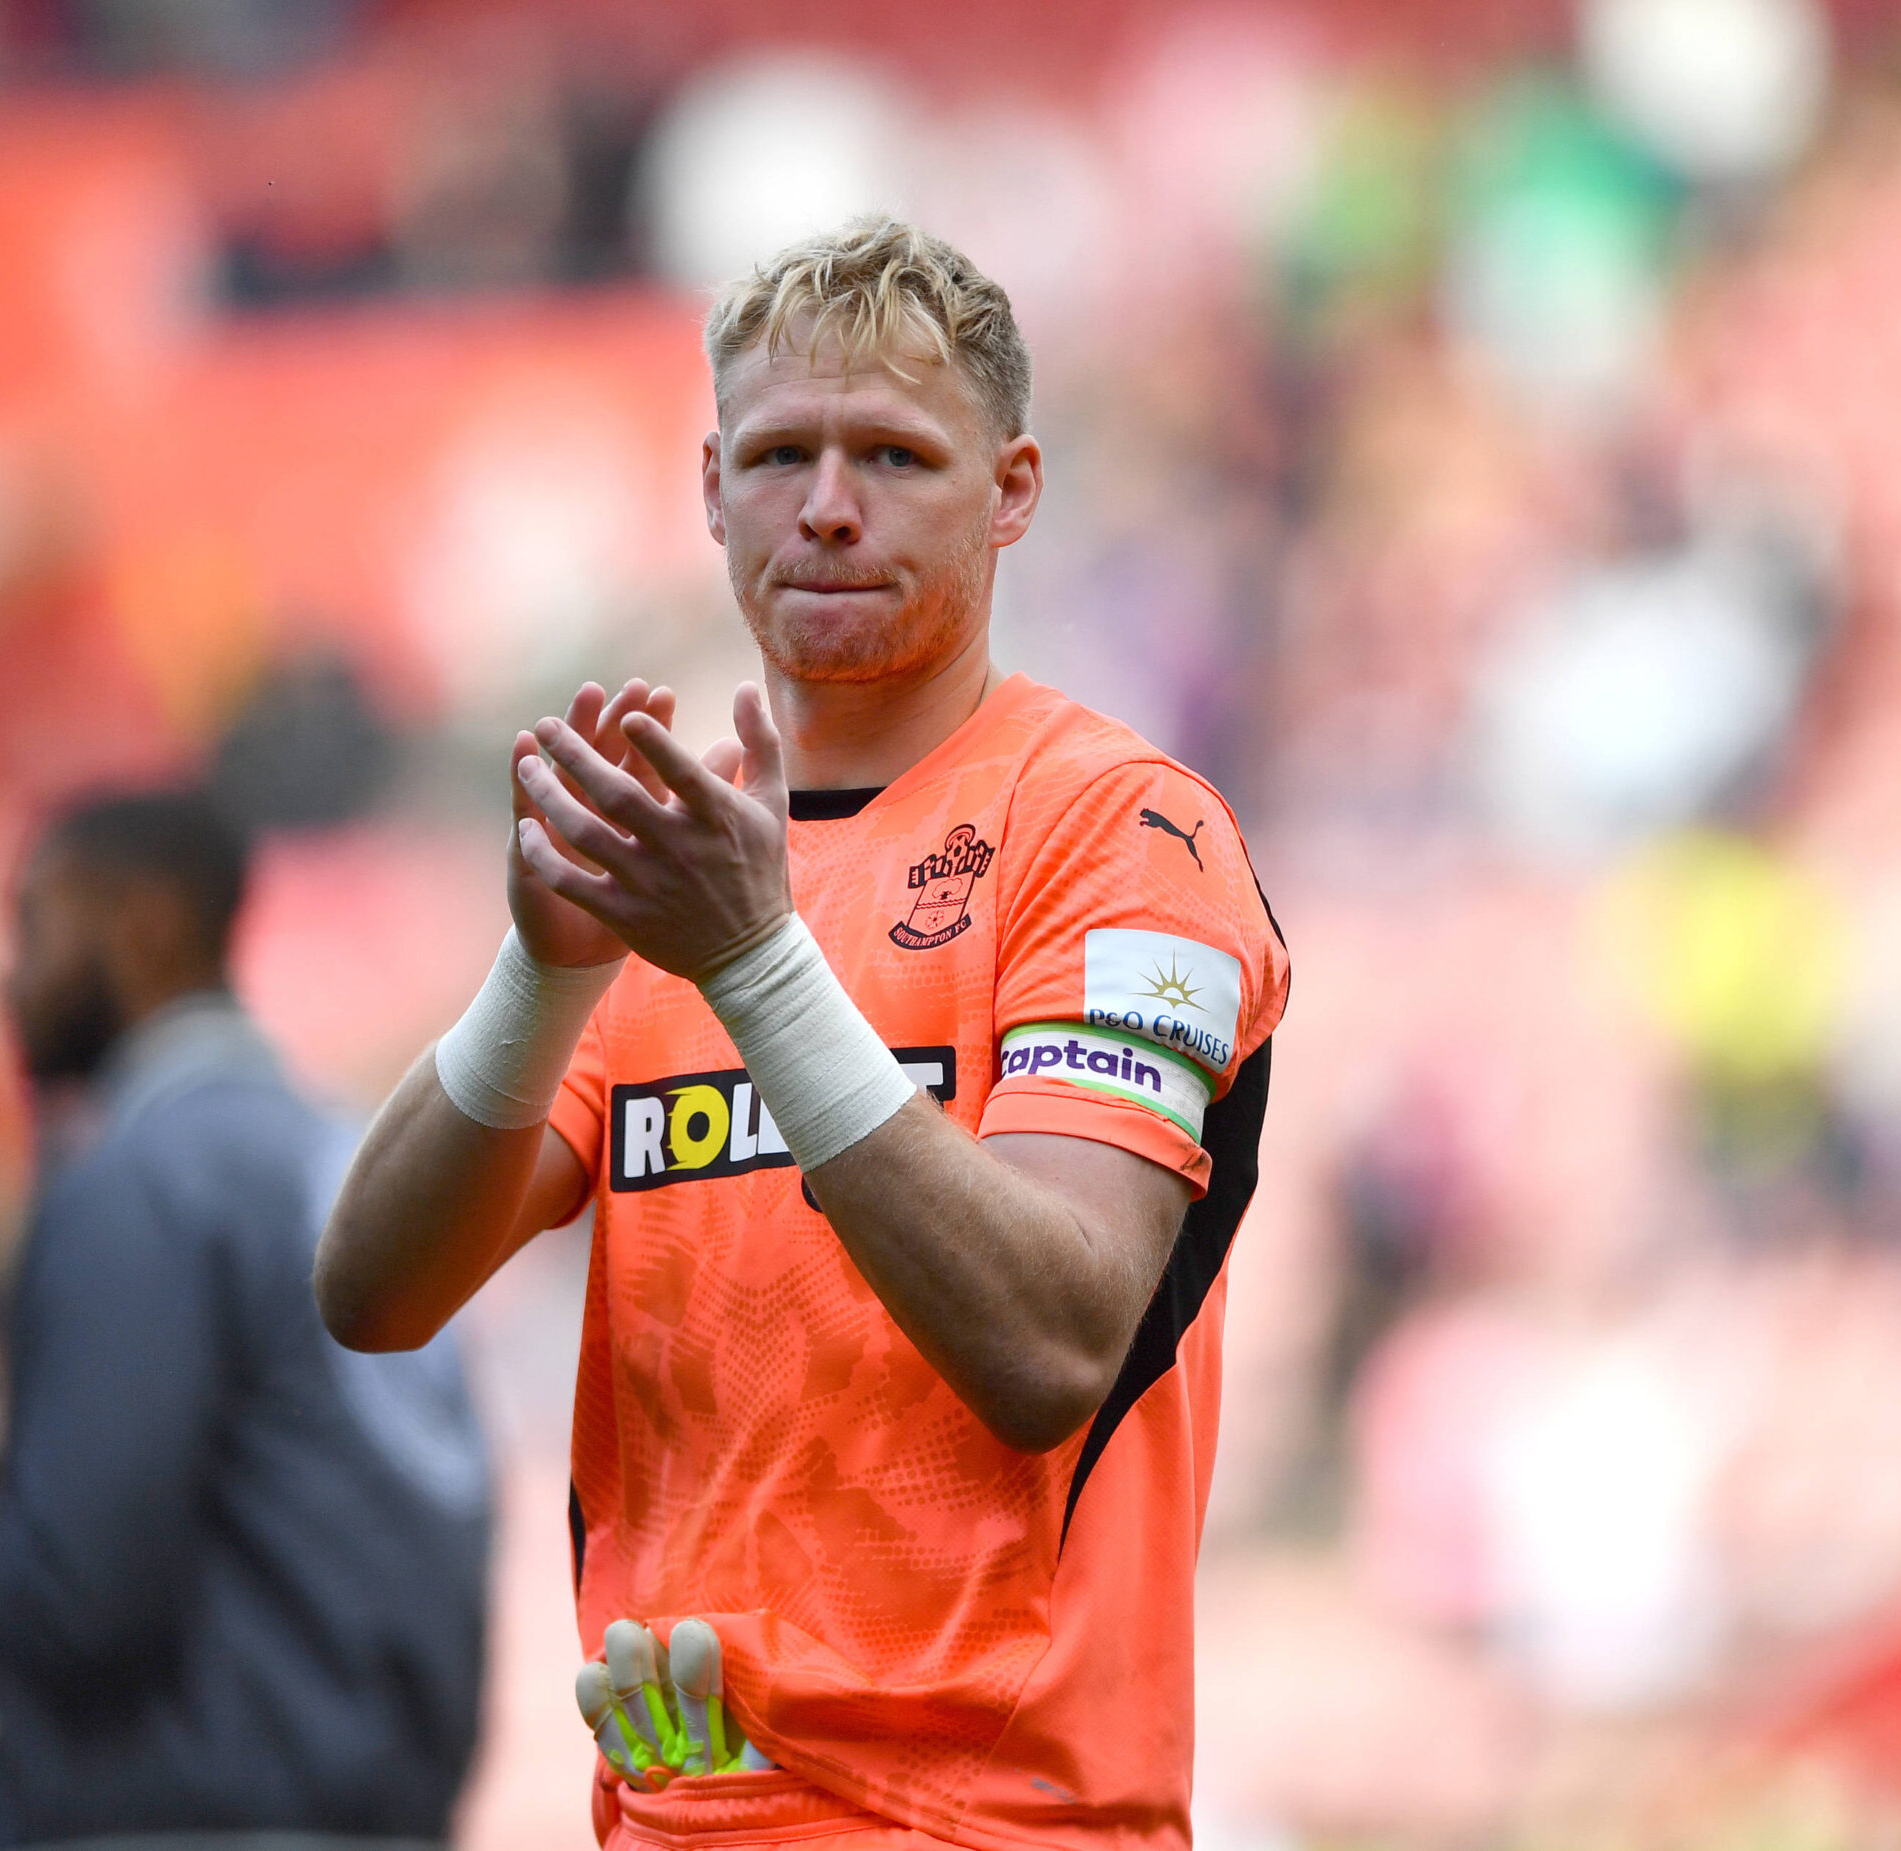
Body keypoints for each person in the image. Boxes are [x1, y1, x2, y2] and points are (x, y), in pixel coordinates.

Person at [316, 218, 1289, 1851]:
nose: (828, 506)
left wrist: (757, 965)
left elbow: (1052, 1348)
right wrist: (540, 971)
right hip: (681, 1813)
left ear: (1014, 490)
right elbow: (368, 1292)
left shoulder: (1121, 834)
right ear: (710, 490)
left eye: (898, 456)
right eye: (780, 455)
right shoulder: (678, 864)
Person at [0, 789, 492, 1850]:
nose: (10, 974)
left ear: (144, 922)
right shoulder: (330, 1147)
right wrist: (5, 1472)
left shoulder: (142, 1178)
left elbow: (77, 1609)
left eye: (34, 925)